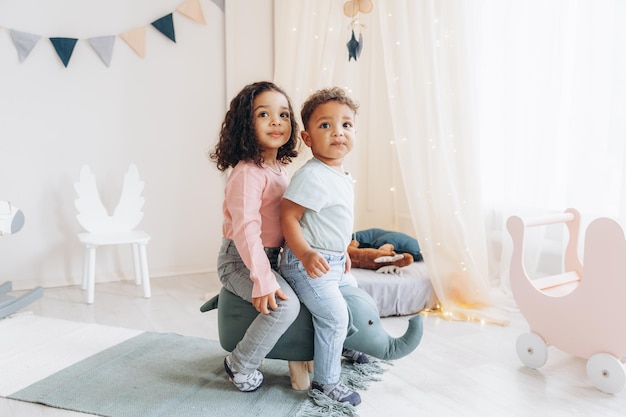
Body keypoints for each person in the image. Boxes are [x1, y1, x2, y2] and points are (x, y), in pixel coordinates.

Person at [209, 81, 301, 392]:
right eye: (264, 114)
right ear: (245, 125)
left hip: (271, 257)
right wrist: (262, 278)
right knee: (285, 307)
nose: (277, 121)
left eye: (284, 114)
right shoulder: (248, 172)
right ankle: (239, 364)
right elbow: (246, 228)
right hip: (239, 260)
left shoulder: (279, 169)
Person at [279, 87, 365, 406]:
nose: (338, 132)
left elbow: (334, 221)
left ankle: (343, 344)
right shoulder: (313, 175)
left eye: (346, 124)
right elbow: (288, 216)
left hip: (331, 259)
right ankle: (326, 382)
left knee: (355, 299)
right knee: (333, 314)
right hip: (306, 262)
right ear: (307, 138)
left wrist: (342, 253)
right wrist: (305, 252)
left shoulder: (341, 174)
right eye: (325, 125)